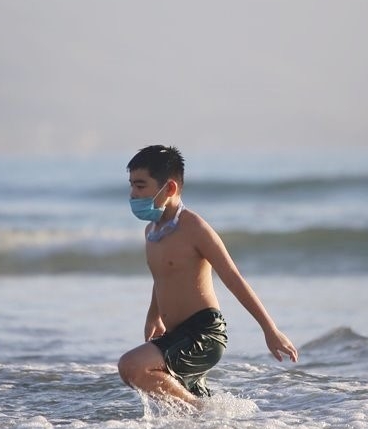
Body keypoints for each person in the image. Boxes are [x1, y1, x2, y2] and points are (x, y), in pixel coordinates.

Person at [117, 145, 298, 407]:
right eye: (131, 185)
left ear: (169, 188)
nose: (133, 194)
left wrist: (270, 330)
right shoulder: (151, 232)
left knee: (132, 366)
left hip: (204, 333)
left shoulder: (195, 228)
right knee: (181, 412)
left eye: (140, 185)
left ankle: (199, 409)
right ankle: (210, 418)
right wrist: (153, 315)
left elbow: (233, 277)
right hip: (176, 334)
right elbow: (162, 278)